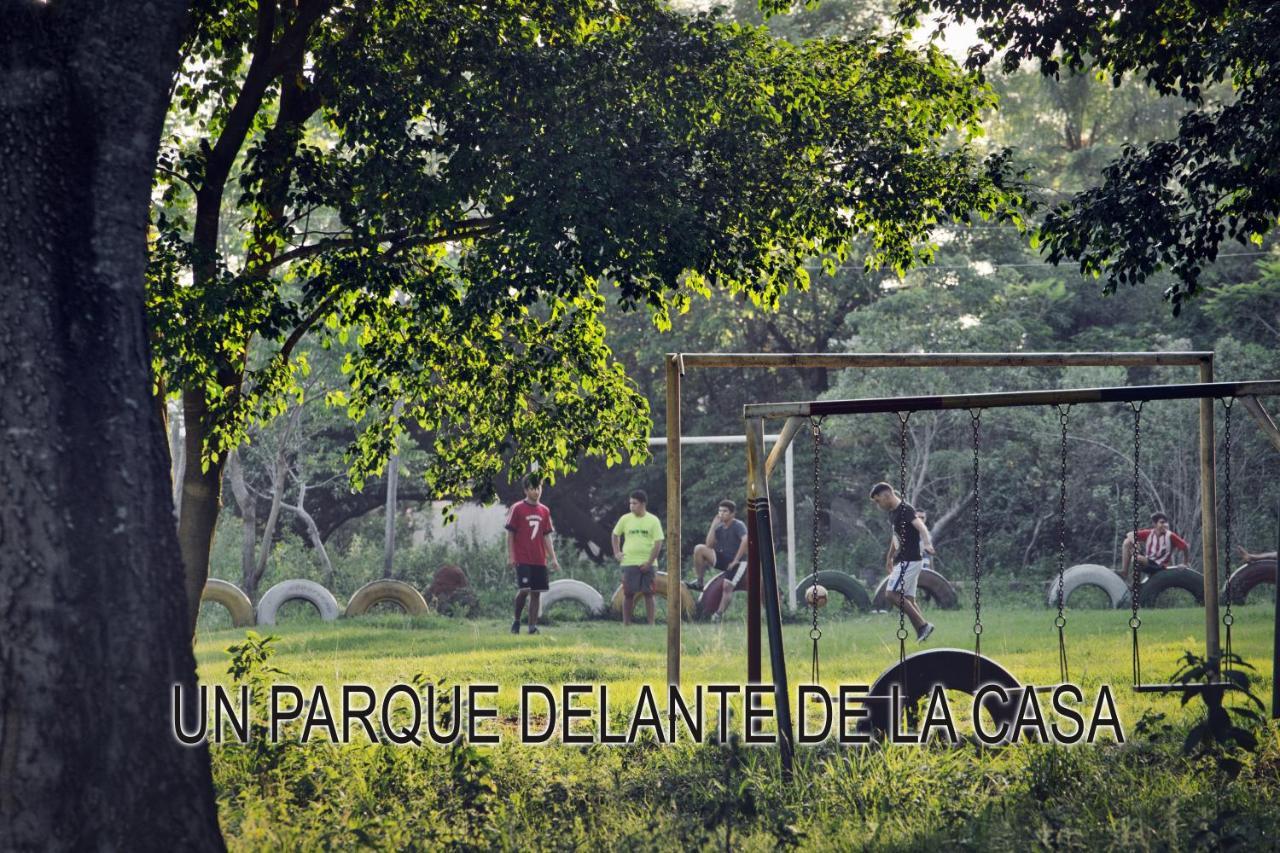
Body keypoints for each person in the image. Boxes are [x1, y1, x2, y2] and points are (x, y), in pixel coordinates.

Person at [870, 482, 935, 642]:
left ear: (886, 496)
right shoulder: (893, 513)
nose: (878, 505)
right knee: (909, 600)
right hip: (904, 560)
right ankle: (923, 633)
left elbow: (921, 527)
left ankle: (923, 626)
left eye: (878, 501)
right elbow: (896, 538)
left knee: (891, 594)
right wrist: (889, 557)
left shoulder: (906, 509)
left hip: (910, 560)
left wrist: (927, 543)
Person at [505, 474, 559, 635]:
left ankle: (532, 626)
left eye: (538, 488)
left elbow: (546, 536)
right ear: (525, 490)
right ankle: (516, 620)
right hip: (522, 557)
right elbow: (510, 534)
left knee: (536, 593)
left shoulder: (544, 511)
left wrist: (553, 558)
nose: (536, 492)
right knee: (524, 590)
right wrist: (511, 556)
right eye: (532, 489)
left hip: (539, 559)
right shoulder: (517, 508)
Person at [612, 489, 665, 626]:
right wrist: (617, 552)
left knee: (649, 593)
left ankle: (651, 623)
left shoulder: (653, 520)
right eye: (630, 503)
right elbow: (615, 535)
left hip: (649, 563)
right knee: (628, 593)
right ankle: (626, 623)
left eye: (634, 503)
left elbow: (658, 542)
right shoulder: (625, 519)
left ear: (643, 504)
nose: (631, 506)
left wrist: (649, 562)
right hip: (629, 562)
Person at [691, 499, 748, 590]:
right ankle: (700, 582)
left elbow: (745, 540)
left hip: (737, 561)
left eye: (725, 511)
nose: (721, 513)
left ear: (732, 514)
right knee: (699, 549)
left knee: (727, 588)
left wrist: (735, 560)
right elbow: (709, 545)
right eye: (720, 511)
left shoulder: (738, 525)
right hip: (724, 559)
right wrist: (713, 525)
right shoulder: (719, 528)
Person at [1119, 512, 1189, 585]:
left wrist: (1185, 563)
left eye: (1166, 523)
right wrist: (1135, 543)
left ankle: (1135, 583)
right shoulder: (1149, 533)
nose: (1165, 525)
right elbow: (1130, 534)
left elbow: (1185, 547)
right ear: (1155, 524)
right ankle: (1125, 573)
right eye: (1161, 522)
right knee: (1127, 542)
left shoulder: (1170, 536)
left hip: (1160, 566)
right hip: (1148, 562)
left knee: (1137, 558)